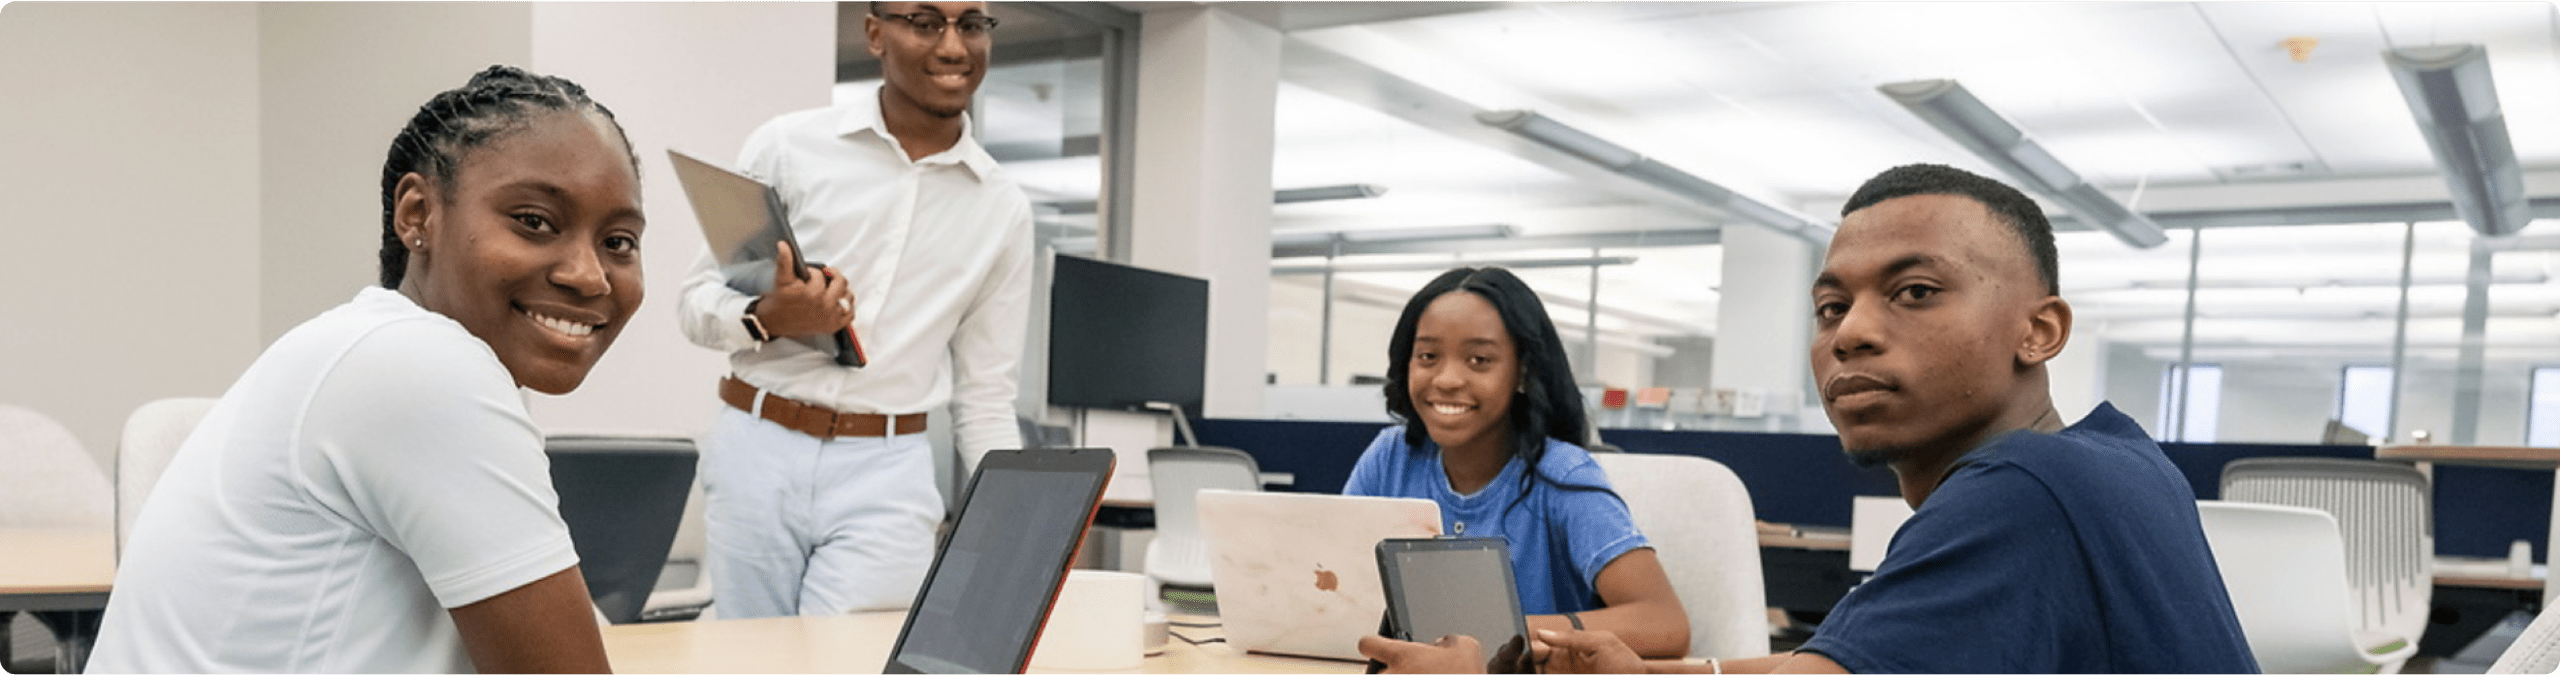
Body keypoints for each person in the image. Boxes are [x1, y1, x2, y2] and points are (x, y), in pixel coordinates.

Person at [1519, 164, 2259, 675]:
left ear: (2039, 330)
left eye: (1914, 291)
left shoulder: (2024, 485)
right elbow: (1851, 660)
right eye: (1831, 307)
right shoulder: (2114, 458)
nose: (1849, 334)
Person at [89, 65, 641, 674]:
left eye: (618, 241)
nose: (589, 275)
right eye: (534, 221)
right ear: (416, 215)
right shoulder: (421, 366)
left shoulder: (371, 347)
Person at [676, 0, 1034, 618]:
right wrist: (771, 315)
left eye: (970, 24)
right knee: (749, 661)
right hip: (758, 445)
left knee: (856, 660)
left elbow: (985, 397)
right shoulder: (788, 146)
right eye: (925, 22)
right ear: (875, 33)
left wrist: (1027, 520)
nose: (953, 46)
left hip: (889, 468)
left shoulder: (1002, 208)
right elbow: (696, 304)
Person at [1346, 266, 1691, 668]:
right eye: (1428, 356)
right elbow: (1329, 584)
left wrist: (1505, 631)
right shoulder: (1391, 455)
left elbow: (1666, 622)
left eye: (1479, 360)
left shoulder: (1562, 475)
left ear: (1523, 371)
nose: (1447, 379)